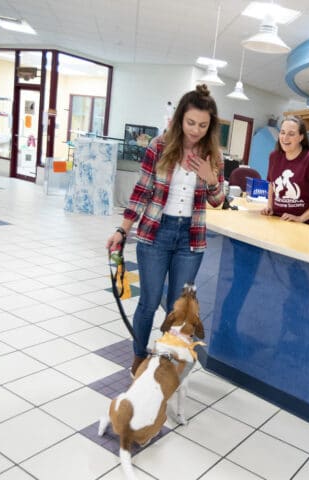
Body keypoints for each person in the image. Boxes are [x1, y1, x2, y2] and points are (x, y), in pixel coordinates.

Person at [106, 84, 225, 376]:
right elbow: (141, 191)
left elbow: (217, 200)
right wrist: (122, 231)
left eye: (203, 125)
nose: (195, 130)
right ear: (180, 118)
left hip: (191, 238)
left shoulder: (212, 154)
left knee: (177, 309)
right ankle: (138, 357)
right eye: (190, 123)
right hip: (155, 233)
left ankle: (165, 363)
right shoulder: (159, 147)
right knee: (148, 303)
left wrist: (211, 179)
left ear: (210, 127)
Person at [261, 115, 309, 225]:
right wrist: (270, 207)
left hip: (303, 224)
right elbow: (272, 183)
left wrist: (301, 218)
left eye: (291, 134)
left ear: (301, 137)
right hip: (277, 220)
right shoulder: (274, 156)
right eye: (282, 132)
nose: (285, 138)